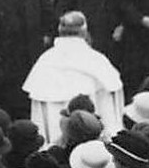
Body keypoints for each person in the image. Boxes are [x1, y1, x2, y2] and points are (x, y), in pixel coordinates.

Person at [22, 11, 124, 144]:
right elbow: (110, 113)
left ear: (60, 31)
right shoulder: (97, 60)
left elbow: (38, 118)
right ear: (84, 32)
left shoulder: (45, 62)